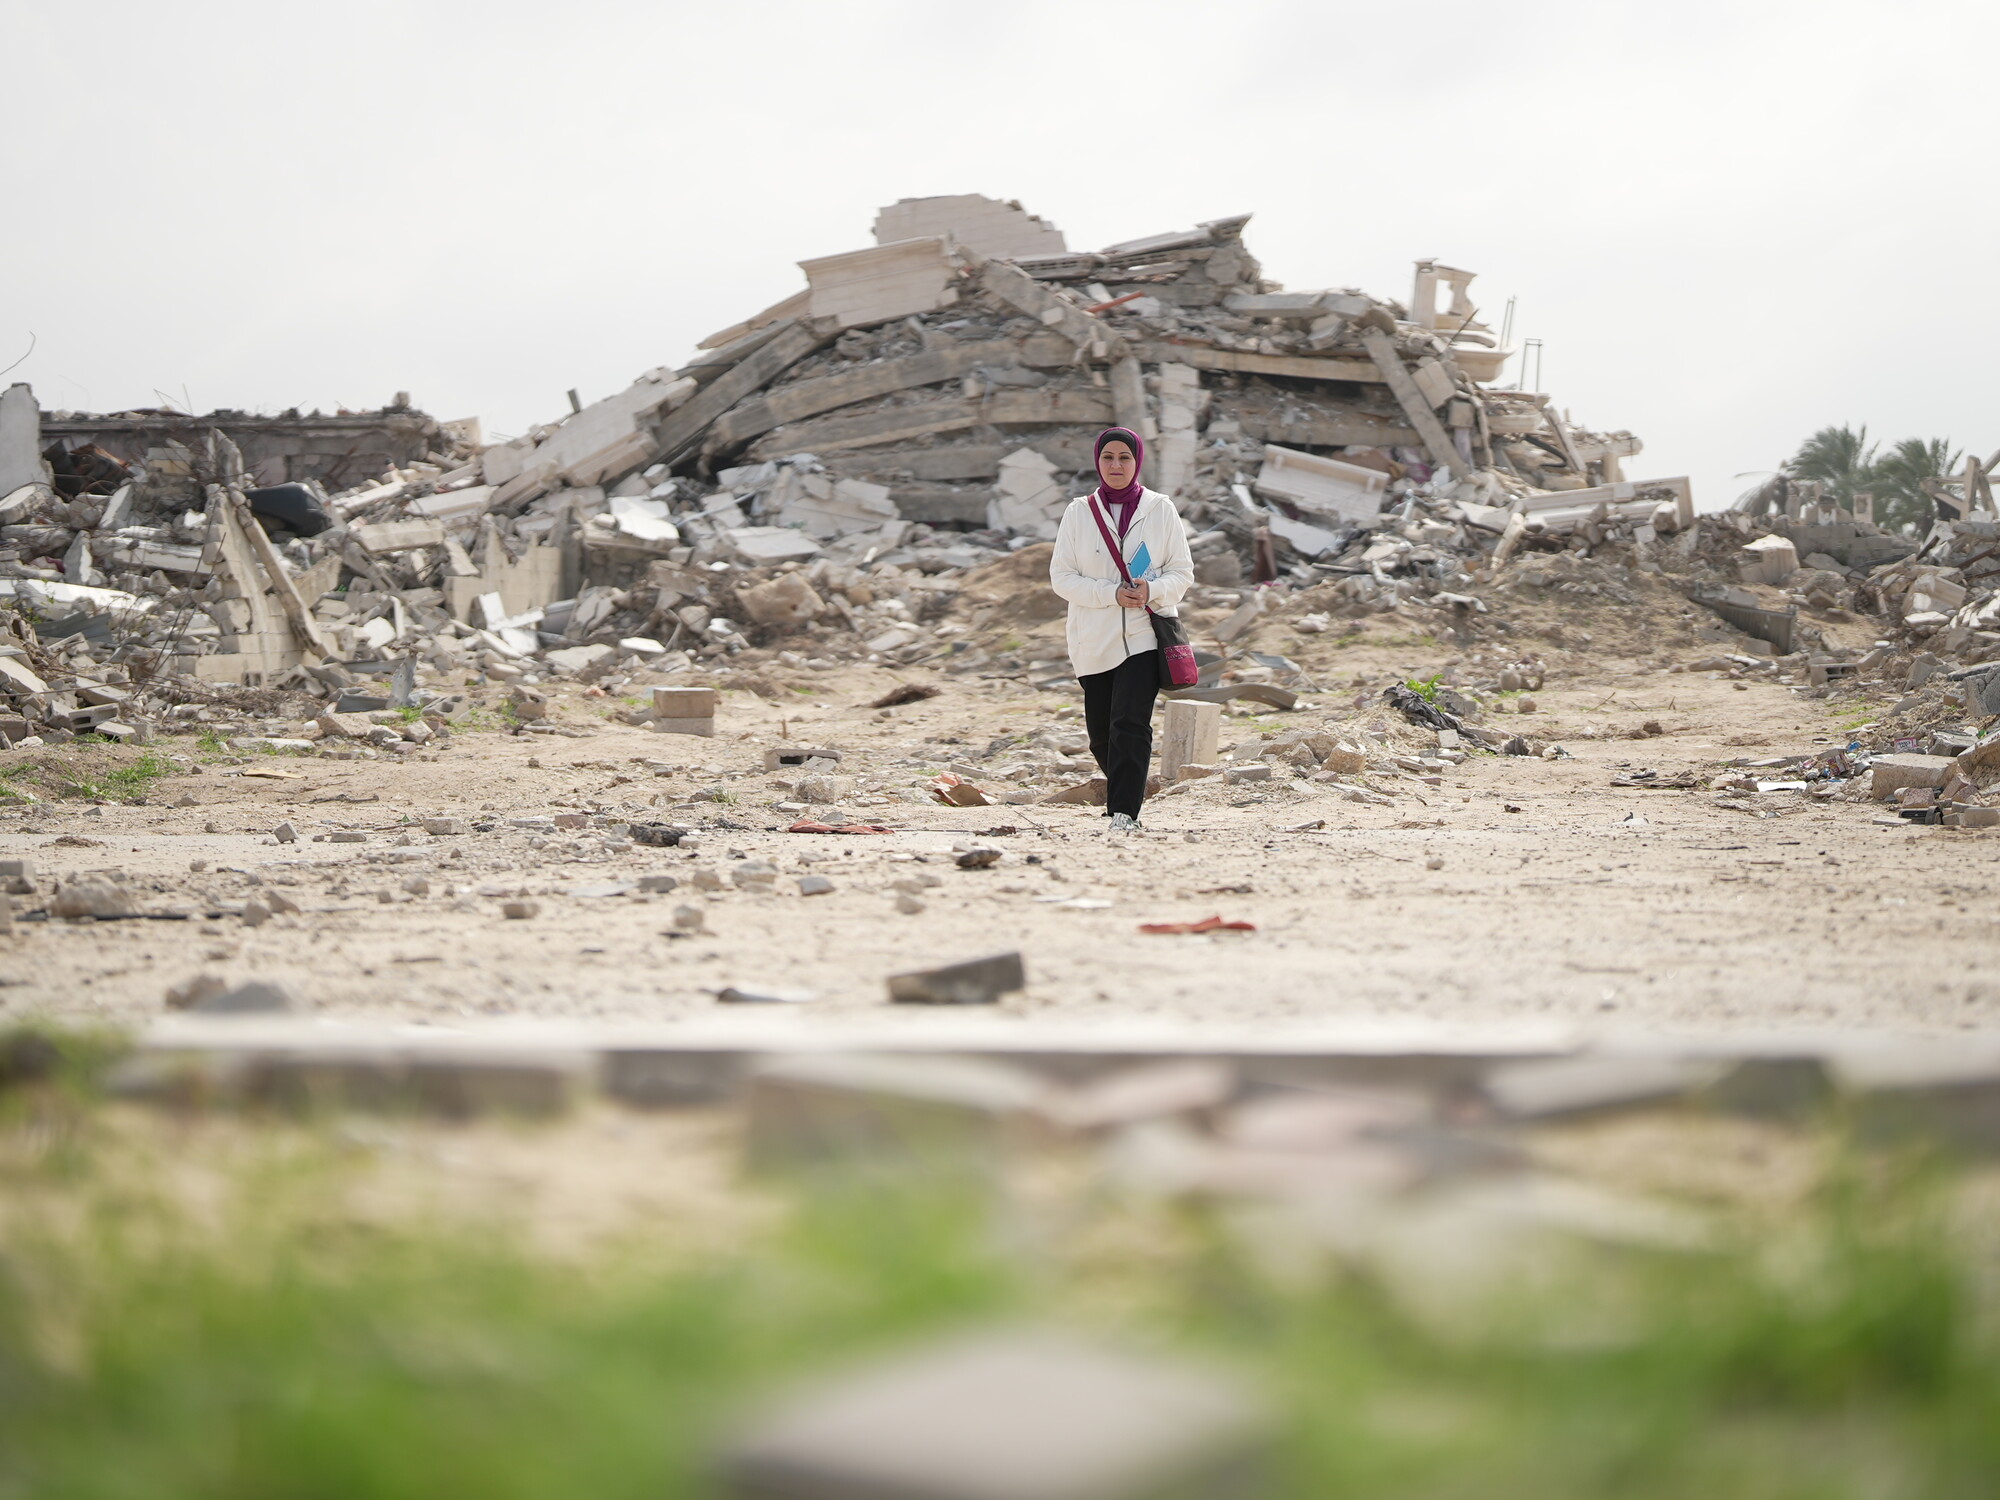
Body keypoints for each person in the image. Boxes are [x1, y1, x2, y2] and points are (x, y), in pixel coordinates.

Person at [1048, 427, 1195, 831]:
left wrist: (1153, 588)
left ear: (1138, 462)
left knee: (1130, 723)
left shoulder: (1160, 509)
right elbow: (1061, 578)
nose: (1116, 465)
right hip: (1093, 638)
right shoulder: (1079, 512)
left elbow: (1182, 572)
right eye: (1108, 457)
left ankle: (1124, 814)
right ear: (1098, 461)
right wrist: (1110, 594)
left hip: (1145, 636)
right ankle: (1126, 790)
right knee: (1101, 735)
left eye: (1124, 458)